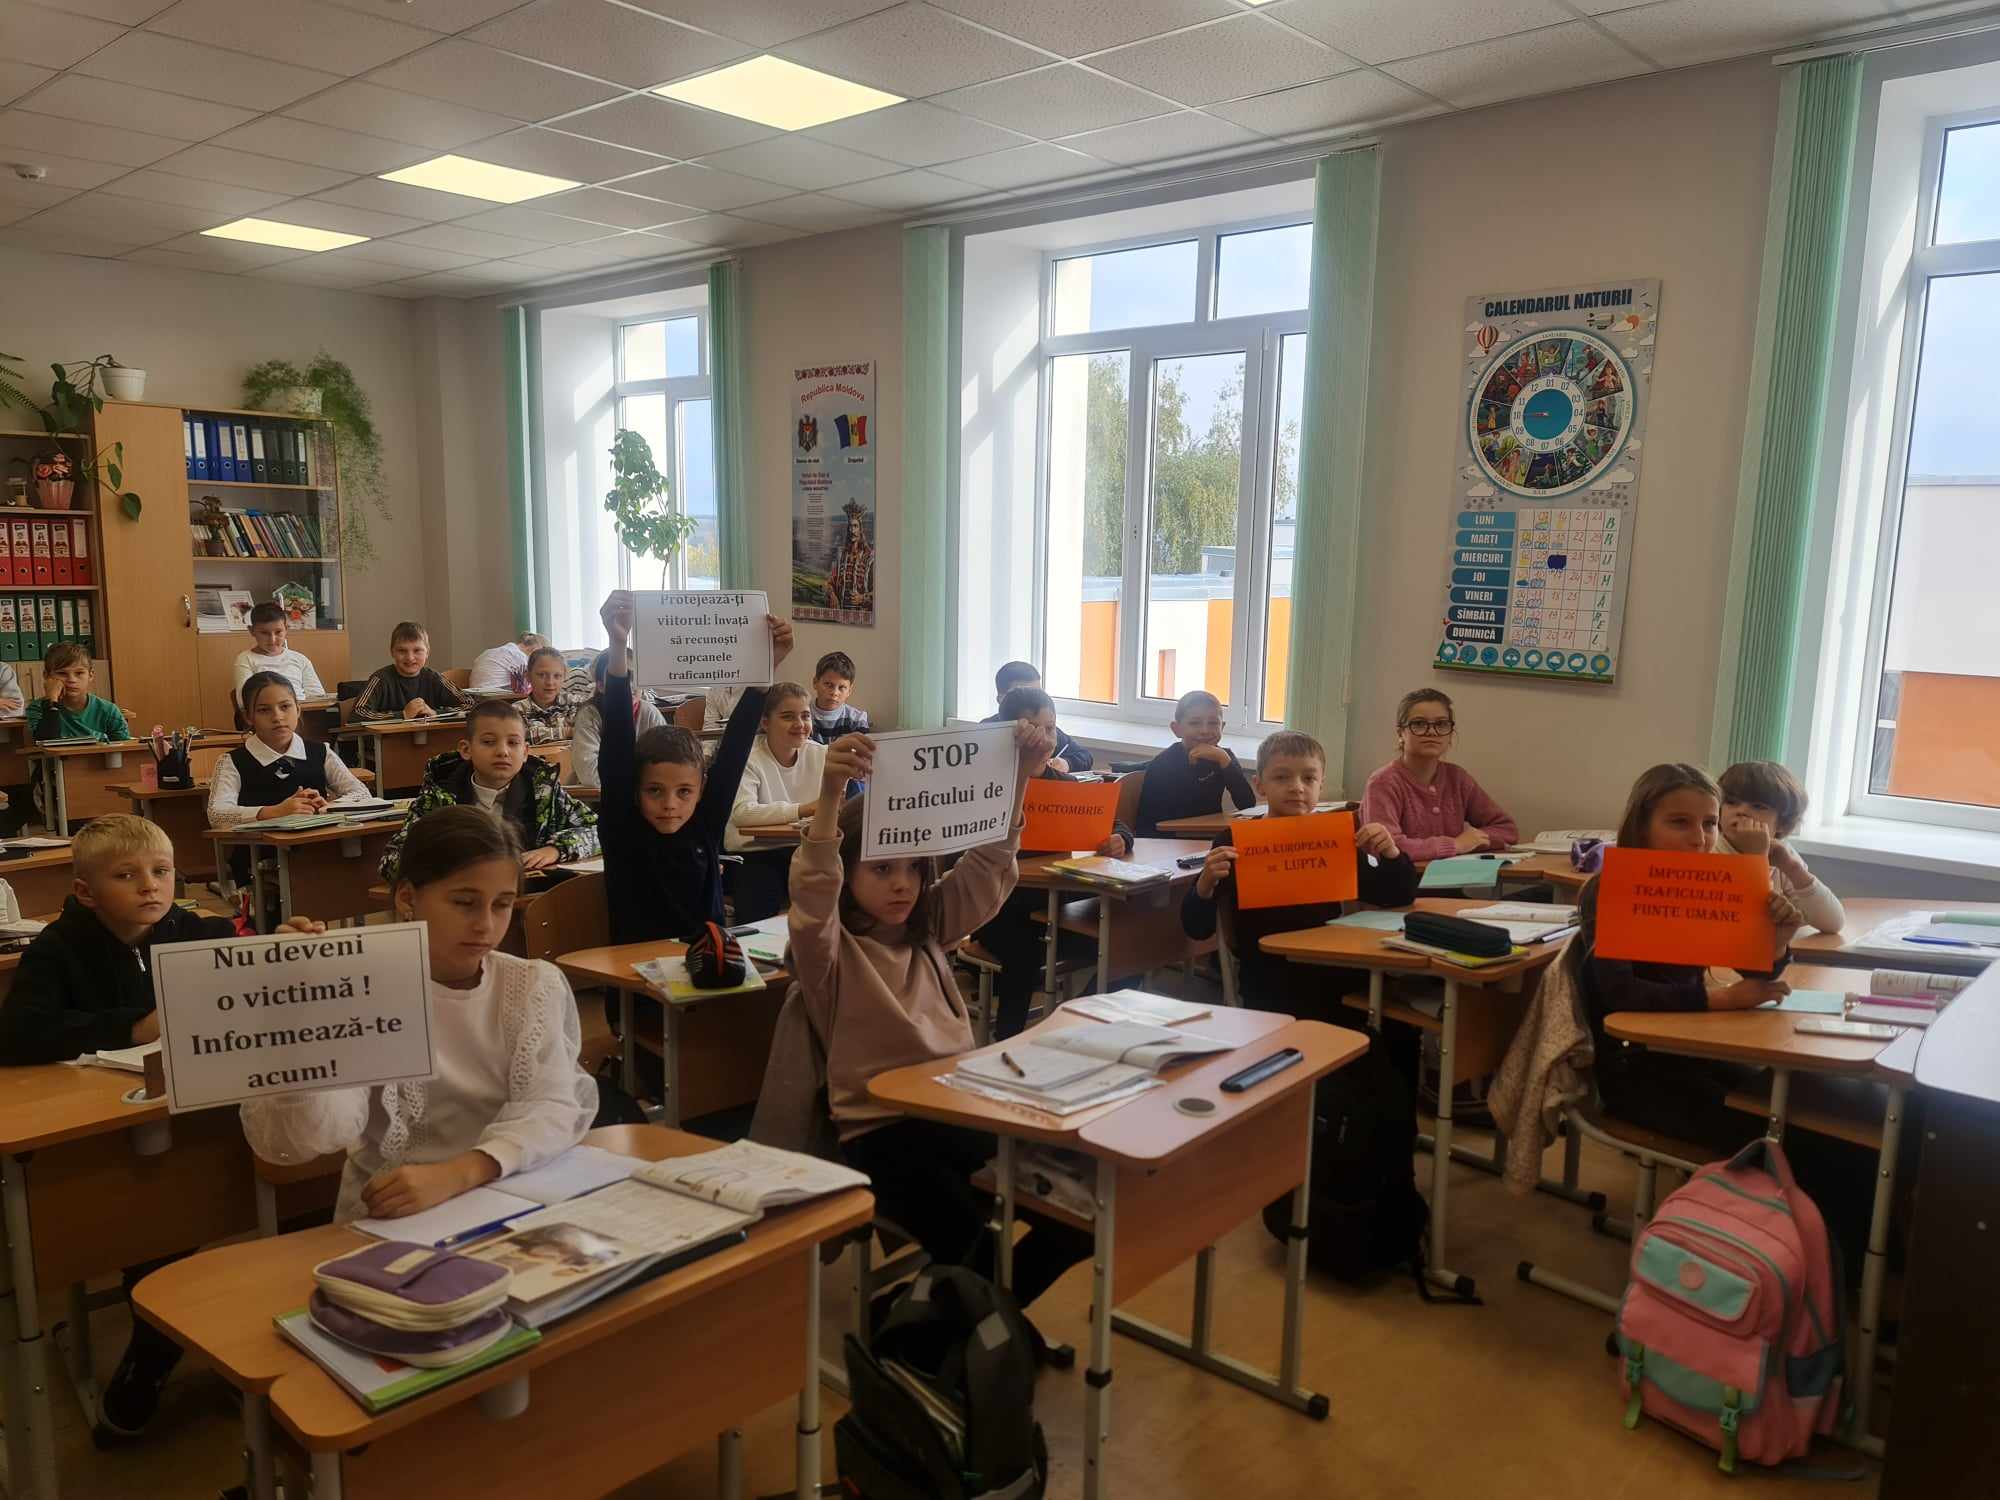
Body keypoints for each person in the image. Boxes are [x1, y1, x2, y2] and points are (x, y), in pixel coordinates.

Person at [0, 816, 324, 1441]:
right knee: (161, 1223)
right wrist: (131, 1026)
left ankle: (262, 1333)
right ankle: (154, 1348)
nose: (150, 886)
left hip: (212, 1112)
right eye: (127, 876)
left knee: (296, 1193)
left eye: (162, 872)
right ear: (86, 891)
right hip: (120, 1132)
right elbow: (17, 1034)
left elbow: (253, 980)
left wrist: (283, 948)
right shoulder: (59, 948)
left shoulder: (200, 930)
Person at [790, 724, 1089, 1315]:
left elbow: (987, 867)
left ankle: (927, 1318)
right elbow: (814, 887)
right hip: (883, 1133)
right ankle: (949, 1327)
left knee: (1078, 1218)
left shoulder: (927, 929)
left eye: (914, 869)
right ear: (849, 875)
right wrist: (830, 793)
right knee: (970, 1240)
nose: (903, 884)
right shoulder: (829, 953)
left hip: (957, 1111)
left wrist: (1017, 779)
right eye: (881, 870)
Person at [242, 807, 597, 1226]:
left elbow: (554, 1106)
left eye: (502, 905)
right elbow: (305, 1138)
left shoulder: (531, 985)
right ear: (408, 898)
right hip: (393, 1212)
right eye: (464, 903)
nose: (485, 924)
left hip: (505, 1191)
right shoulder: (362, 990)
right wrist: (299, 1012)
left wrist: (462, 1172)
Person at [1576, 763, 1871, 1264]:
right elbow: (1620, 992)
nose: (1700, 837)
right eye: (1679, 822)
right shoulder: (1611, 888)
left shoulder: (1707, 879)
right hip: (1640, 1072)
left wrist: (1776, 941)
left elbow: (1753, 969)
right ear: (1642, 824)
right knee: (1805, 1148)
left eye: (1709, 823)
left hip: (1699, 1051)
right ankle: (1817, 1275)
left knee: (1842, 1119)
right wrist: (1719, 1000)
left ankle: (1850, 1268)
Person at [594, 588, 789, 944]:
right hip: (635, 974)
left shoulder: (704, 823)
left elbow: (734, 751)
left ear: (701, 791)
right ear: (635, 790)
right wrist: (618, 645)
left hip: (707, 969)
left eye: (684, 791)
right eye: (655, 791)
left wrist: (766, 668)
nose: (670, 804)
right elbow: (617, 744)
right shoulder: (622, 826)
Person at [1182, 730, 1417, 1021]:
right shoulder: (1233, 842)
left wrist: (1391, 854)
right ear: (1260, 785)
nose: (1297, 787)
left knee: (1397, 1017)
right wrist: (1205, 883)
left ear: (1321, 785)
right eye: (1282, 777)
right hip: (1270, 975)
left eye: (1308, 778)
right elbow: (1196, 928)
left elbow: (1396, 895)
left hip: (1331, 964)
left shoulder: (1333, 837)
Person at [972, 686, 1134, 1038]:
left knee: (1128, 944)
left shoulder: (1064, 783)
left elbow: (1112, 822)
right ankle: (1009, 1040)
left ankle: (1076, 1023)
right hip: (1001, 908)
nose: (1044, 740)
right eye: (1033, 730)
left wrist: (1121, 838)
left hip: (1056, 904)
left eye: (1050, 729)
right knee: (1025, 952)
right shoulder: (987, 785)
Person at [379, 700, 598, 882]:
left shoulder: (544, 791)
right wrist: (452, 863)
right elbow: (392, 859)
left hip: (528, 901)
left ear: (525, 752)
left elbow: (600, 830)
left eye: (513, 743)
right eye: (488, 742)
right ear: (466, 749)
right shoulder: (438, 796)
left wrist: (557, 849)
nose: (502, 751)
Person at [211, 671, 371, 899]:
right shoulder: (233, 761)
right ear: (248, 717)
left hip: (320, 851)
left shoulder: (320, 752)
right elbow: (217, 814)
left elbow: (361, 793)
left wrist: (329, 807)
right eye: (264, 710)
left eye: (285, 706)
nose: (277, 717)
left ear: (298, 709)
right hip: (260, 860)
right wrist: (274, 812)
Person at [1361, 688, 1518, 860]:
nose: (1432, 732)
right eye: (1419, 724)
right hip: (1405, 877)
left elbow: (1507, 829)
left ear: (1450, 734)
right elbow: (1386, 847)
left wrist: (1475, 840)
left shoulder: (1457, 778)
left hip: (1453, 876)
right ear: (1401, 733)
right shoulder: (1383, 782)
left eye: (1441, 724)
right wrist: (1455, 845)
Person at [726, 681, 826, 923]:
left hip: (804, 850)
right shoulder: (749, 758)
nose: (800, 724)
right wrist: (803, 809)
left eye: (805, 716)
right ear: (765, 722)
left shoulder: (822, 754)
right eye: (788, 717)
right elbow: (743, 813)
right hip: (755, 853)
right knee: (758, 913)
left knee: (829, 902)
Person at [1716, 759, 1844, 934]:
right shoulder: (1709, 850)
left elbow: (1833, 923)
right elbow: (1745, 928)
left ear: (1782, 823)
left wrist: (1793, 868)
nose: (1741, 811)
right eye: (1731, 802)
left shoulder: (1781, 853)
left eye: (1758, 806)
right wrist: (1756, 860)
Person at [1134, 689, 1254, 837]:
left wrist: (1225, 762)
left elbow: (1247, 804)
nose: (1205, 730)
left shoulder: (1223, 757)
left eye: (1213, 723)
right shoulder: (1163, 764)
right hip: (1170, 839)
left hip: (1207, 836)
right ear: (1177, 729)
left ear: (1222, 727)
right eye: (1195, 723)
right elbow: (1147, 824)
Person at [569, 648, 665, 789]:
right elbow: (589, 774)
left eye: (633, 677)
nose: (629, 685)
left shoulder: (650, 713)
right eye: (619, 679)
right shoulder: (589, 715)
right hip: (597, 795)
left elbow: (665, 763)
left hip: (643, 793)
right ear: (601, 686)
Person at [351, 621, 472, 722]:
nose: (410, 658)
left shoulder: (434, 677)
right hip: (390, 741)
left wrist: (436, 713)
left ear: (427, 653)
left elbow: (470, 705)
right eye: (402, 651)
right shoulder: (380, 678)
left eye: (417, 650)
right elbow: (357, 713)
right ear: (392, 652)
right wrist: (403, 715)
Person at [982, 661, 1092, 772]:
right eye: (1022, 694)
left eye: (1038, 694)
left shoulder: (1046, 728)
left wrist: (1066, 763)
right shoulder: (985, 733)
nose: (1034, 701)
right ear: (1001, 699)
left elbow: (1084, 755)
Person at [231, 601, 325, 710]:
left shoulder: (300, 659)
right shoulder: (246, 659)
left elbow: (317, 697)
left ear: (286, 628)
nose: (272, 639)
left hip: (302, 713)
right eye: (264, 633)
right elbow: (244, 701)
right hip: (267, 714)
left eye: (278, 632)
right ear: (252, 631)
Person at [27, 641, 128, 742]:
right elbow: (47, 740)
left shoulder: (109, 711)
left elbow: (125, 748)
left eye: (79, 673)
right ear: (47, 676)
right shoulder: (37, 708)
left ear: (90, 675)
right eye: (62, 673)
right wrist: (52, 700)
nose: (72, 680)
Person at [518, 646, 584, 746]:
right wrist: (568, 732)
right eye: (542, 675)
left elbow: (588, 731)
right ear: (528, 677)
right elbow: (522, 736)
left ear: (564, 677)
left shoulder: (576, 703)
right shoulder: (518, 710)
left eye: (557, 676)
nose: (550, 682)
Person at [808, 650, 870, 744]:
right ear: (815, 682)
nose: (834, 693)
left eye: (842, 687)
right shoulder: (802, 716)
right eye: (828, 684)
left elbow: (862, 750)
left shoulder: (857, 720)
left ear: (849, 690)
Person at [469, 631, 549, 696]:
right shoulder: (518, 656)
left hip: (475, 697)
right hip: (495, 699)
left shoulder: (491, 651)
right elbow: (533, 684)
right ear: (536, 650)